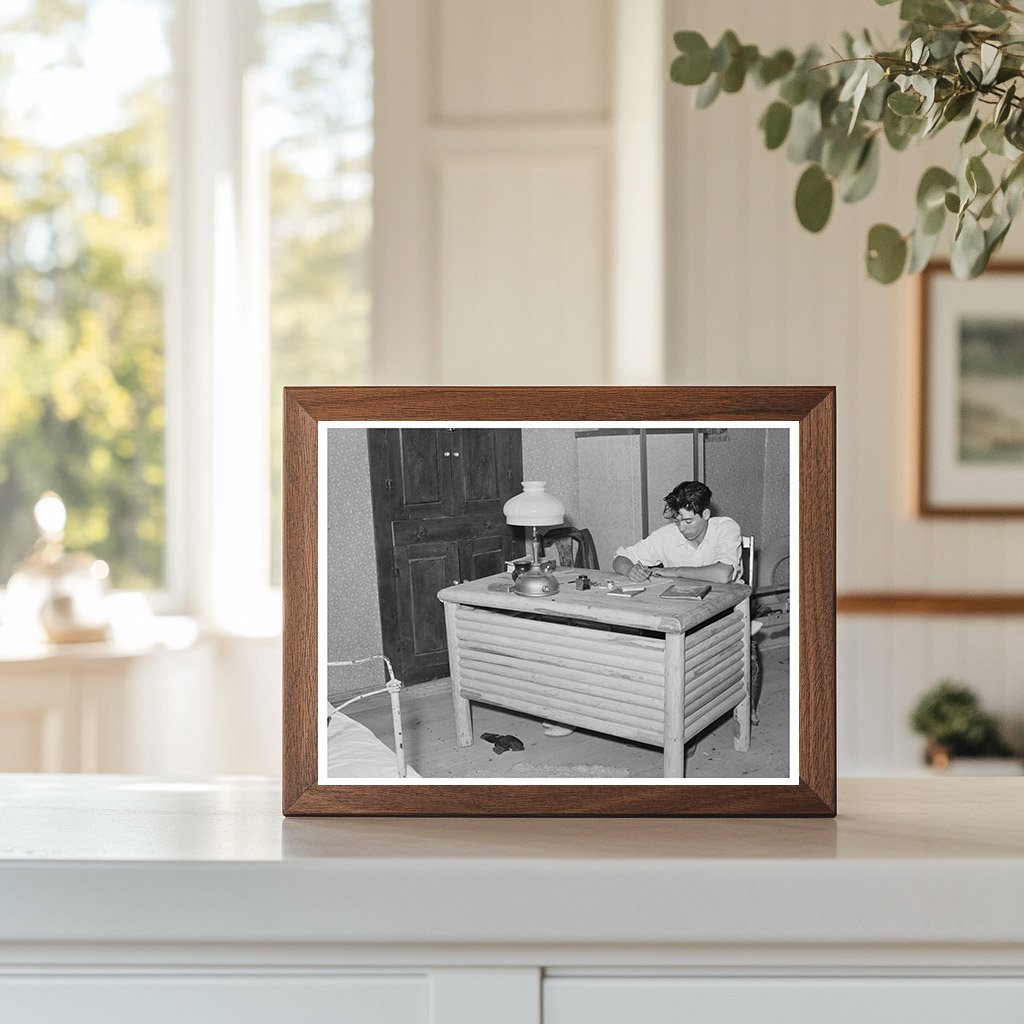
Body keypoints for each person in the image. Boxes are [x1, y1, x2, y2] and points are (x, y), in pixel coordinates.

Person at [612, 480, 741, 584]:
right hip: (683, 605)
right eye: (677, 521)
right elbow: (620, 558)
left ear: (706, 514)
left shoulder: (725, 528)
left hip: (727, 607)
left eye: (688, 521)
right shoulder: (667, 534)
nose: (681, 528)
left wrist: (676, 571)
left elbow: (723, 574)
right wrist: (630, 570)